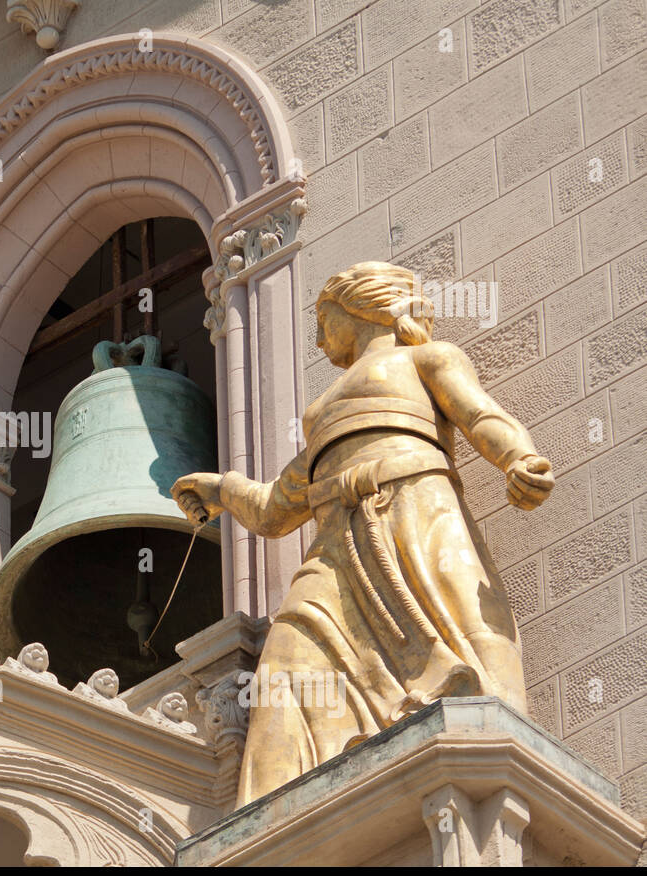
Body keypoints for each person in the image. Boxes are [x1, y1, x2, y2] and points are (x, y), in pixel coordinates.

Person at [171, 261, 554, 805]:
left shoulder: (426, 358)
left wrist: (519, 459)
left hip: (414, 512)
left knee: (465, 629)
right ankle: (274, 819)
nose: (321, 339)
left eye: (325, 320)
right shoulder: (321, 413)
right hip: (333, 545)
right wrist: (221, 488)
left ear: (362, 307)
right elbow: (277, 509)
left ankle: (493, 750)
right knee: (284, 656)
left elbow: (480, 415)